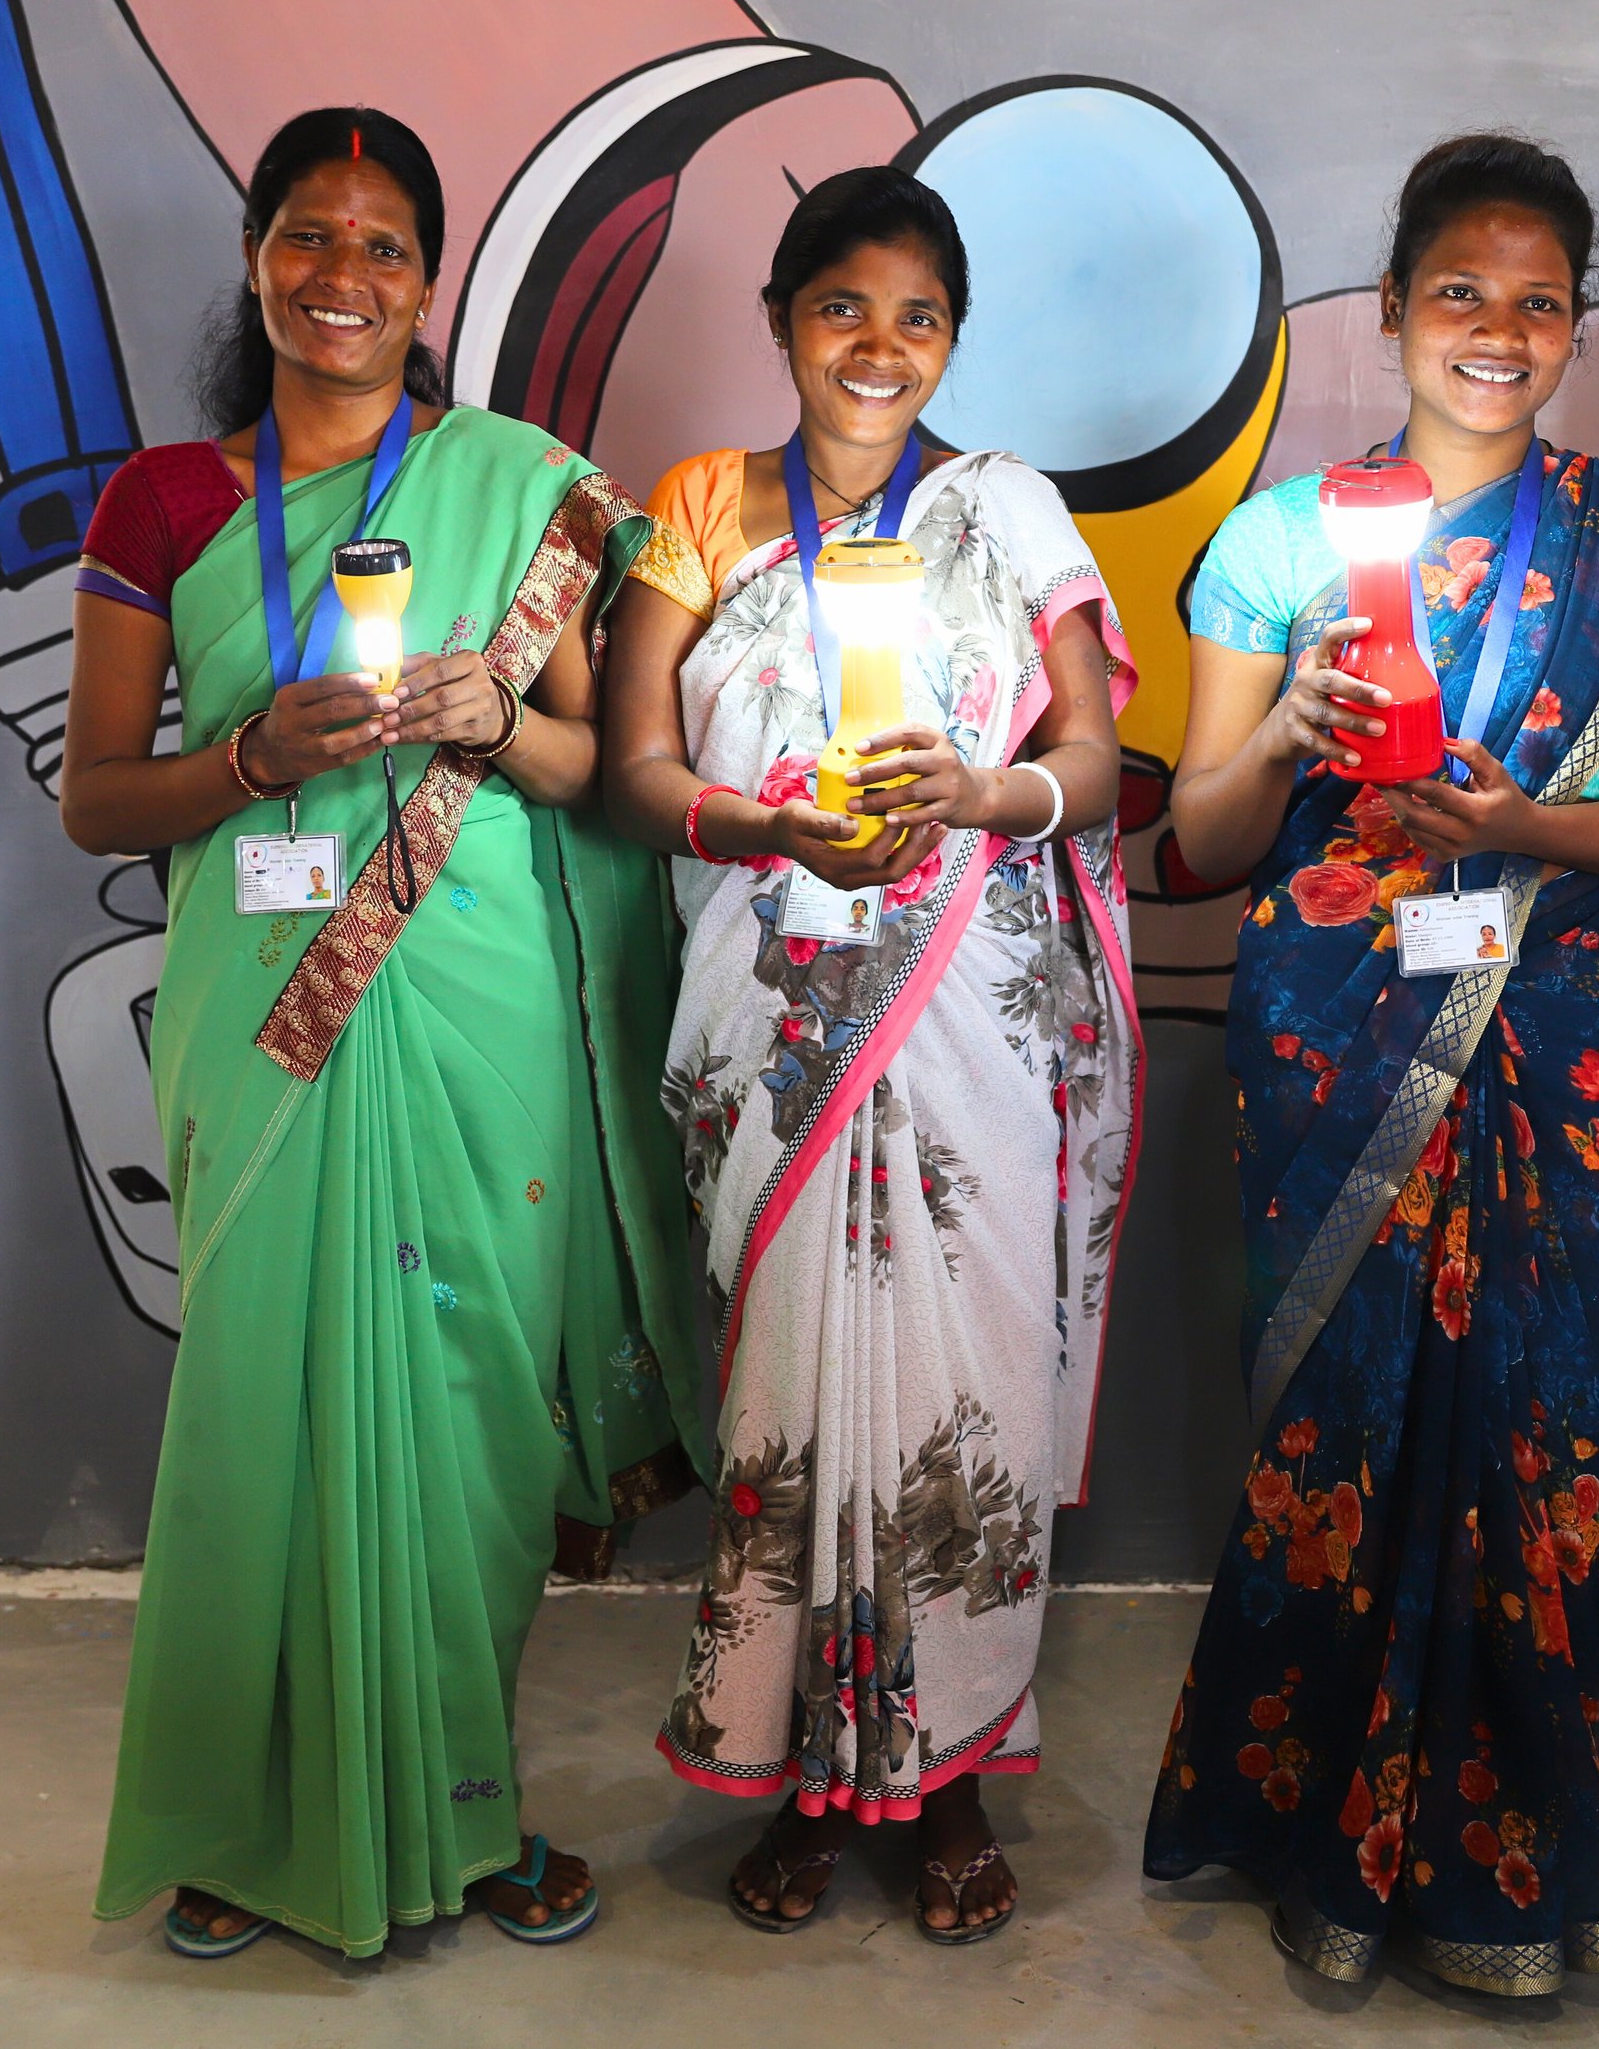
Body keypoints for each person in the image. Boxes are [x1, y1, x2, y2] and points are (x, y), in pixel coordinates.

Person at [63, 108, 709, 1959]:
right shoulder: (164, 505)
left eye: (383, 246)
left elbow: (589, 763)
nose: (341, 274)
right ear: (256, 255)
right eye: (308, 234)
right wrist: (247, 756)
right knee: (258, 1413)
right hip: (261, 1004)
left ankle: (465, 1812)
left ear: (427, 285)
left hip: (478, 992)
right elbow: (99, 798)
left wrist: (494, 721)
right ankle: (241, 1820)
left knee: (472, 1404)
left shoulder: (519, 484)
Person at [1142, 134, 1599, 1997]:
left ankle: (1512, 1866)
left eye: (1539, 300)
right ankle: (1313, 1832)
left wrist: (1528, 829)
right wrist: (1285, 732)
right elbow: (1203, 840)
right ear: (1393, 306)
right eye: (1460, 291)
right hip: (1342, 1044)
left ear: (1575, 327)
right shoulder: (1281, 543)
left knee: (1536, 1427)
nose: (1498, 328)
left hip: (1557, 1045)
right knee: (1352, 1422)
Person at [604, 166, 1139, 1945]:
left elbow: (1097, 761)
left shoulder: (1007, 507)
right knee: (788, 1395)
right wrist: (763, 826)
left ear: (953, 338)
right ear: (781, 318)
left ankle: (951, 1774)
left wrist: (984, 792)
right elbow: (636, 771)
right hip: (770, 1016)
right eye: (843, 306)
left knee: (961, 1392)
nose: (879, 346)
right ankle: (804, 1773)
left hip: (968, 1014)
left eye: (918, 316)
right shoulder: (702, 506)